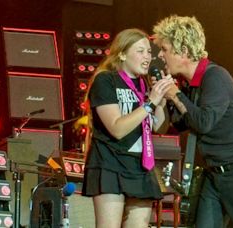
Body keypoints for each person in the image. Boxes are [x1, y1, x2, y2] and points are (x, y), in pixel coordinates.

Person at [152, 15, 233, 228]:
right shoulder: (192, 85)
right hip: (215, 173)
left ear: (183, 51)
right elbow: (177, 125)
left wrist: (175, 95)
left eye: (165, 49)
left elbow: (203, 122)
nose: (160, 55)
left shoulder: (215, 77)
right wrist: (163, 97)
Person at [81, 28, 172, 228]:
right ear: (122, 53)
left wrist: (160, 102)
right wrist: (149, 103)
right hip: (110, 162)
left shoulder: (144, 84)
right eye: (140, 51)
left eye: (149, 52)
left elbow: (158, 127)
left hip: (140, 166)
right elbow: (117, 128)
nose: (147, 57)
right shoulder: (105, 80)